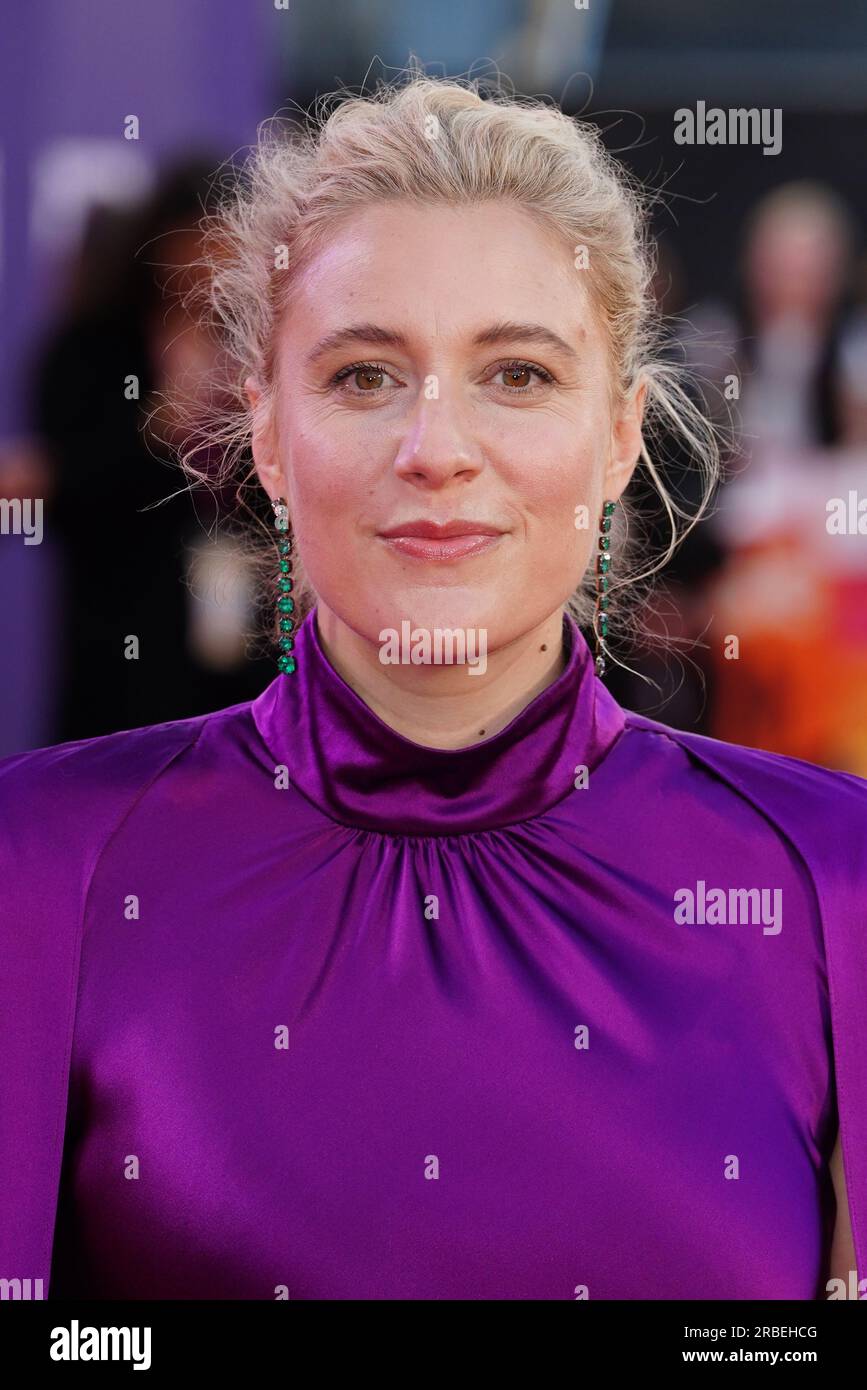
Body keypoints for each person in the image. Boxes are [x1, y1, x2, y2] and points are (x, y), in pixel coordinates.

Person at [1, 73, 865, 1302]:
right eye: (363, 375)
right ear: (264, 432)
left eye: (518, 373)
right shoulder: (42, 865)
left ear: (621, 434)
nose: (437, 448)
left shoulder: (832, 880)